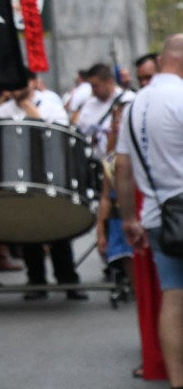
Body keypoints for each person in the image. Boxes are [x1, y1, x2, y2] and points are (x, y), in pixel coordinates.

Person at [116, 33, 183, 389]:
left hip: (158, 216)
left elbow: (122, 168)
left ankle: (176, 380)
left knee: (173, 296)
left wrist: (129, 218)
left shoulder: (134, 105)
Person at [0, 75, 85, 301]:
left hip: (49, 175)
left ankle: (68, 280)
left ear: (32, 82)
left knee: (57, 230)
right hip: (19, 177)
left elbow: (58, 137)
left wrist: (32, 113)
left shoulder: (51, 107)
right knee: (29, 229)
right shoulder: (3, 111)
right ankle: (36, 280)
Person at [72, 62, 133, 154]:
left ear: (109, 82)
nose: (93, 90)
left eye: (96, 86)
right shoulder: (89, 105)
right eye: (91, 86)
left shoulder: (129, 99)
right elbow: (80, 133)